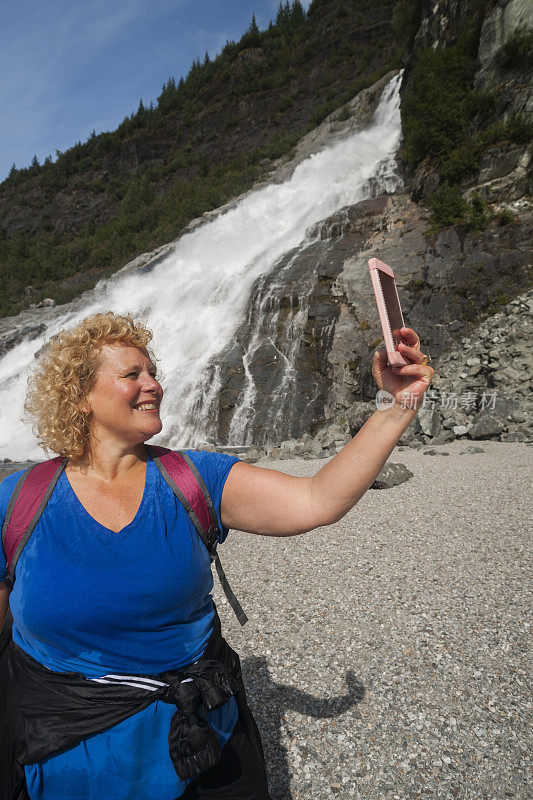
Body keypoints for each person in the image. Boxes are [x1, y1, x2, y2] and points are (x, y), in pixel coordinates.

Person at [0, 311, 433, 800]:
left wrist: (397, 406)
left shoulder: (195, 478)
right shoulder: (17, 502)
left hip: (204, 735)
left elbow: (317, 500)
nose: (154, 385)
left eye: (152, 372)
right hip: (68, 752)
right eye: (131, 375)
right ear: (80, 398)